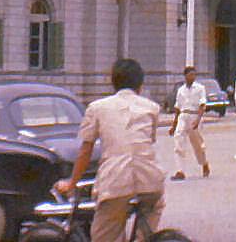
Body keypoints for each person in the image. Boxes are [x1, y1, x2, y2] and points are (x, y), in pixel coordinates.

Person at [56, 59, 165, 242]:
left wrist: (72, 182)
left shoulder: (97, 108)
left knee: (104, 235)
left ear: (113, 83)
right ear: (140, 85)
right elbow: (147, 141)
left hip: (115, 182)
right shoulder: (152, 108)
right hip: (150, 179)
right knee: (154, 206)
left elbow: (85, 150)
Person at [169, 66, 210, 180]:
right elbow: (178, 108)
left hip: (194, 115)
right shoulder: (181, 90)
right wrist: (174, 125)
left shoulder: (200, 88)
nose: (193, 77)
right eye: (190, 74)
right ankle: (180, 170)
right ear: (185, 76)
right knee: (179, 140)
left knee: (197, 144)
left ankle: (204, 163)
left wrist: (198, 119)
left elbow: (202, 105)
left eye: (194, 75)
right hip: (183, 115)